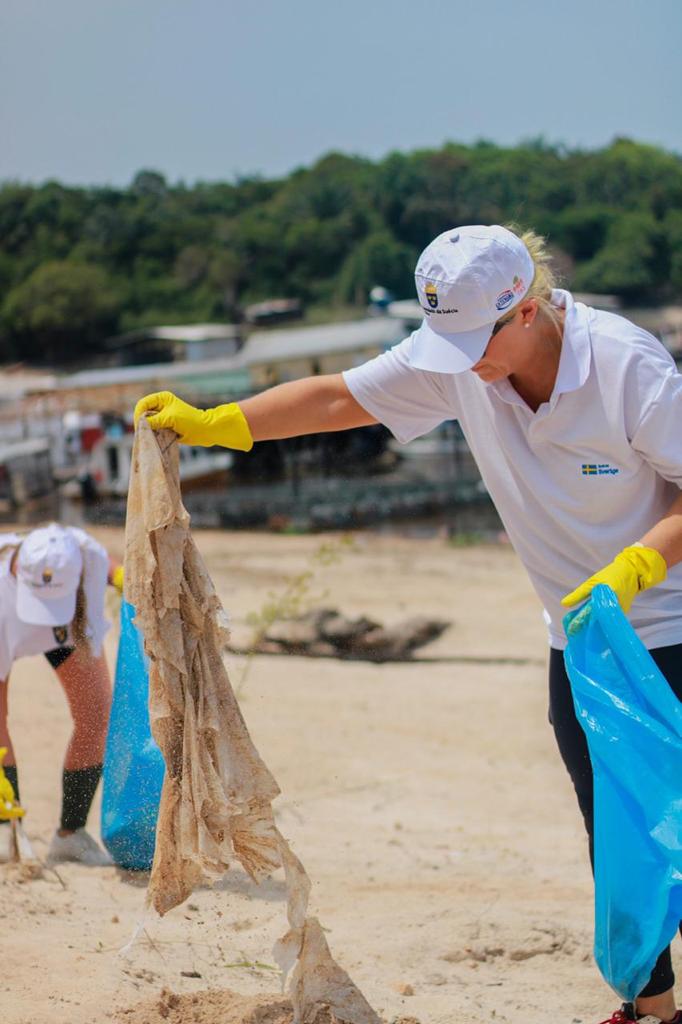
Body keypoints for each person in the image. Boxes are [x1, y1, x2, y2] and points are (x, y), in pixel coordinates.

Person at [135, 224, 682, 1024]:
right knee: (613, 829)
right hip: (583, 642)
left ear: (525, 310)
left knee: (670, 823)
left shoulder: (628, 367)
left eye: (474, 341)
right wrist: (223, 422)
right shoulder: (462, 365)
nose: (461, 361)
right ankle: (655, 1009)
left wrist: (640, 564)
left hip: (671, 625)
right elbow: (338, 397)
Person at [0, 522, 124, 866]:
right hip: (7, 625)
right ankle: (5, 827)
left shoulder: (81, 554)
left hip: (69, 627)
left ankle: (71, 835)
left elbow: (106, 564)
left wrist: (123, 578)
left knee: (97, 715)